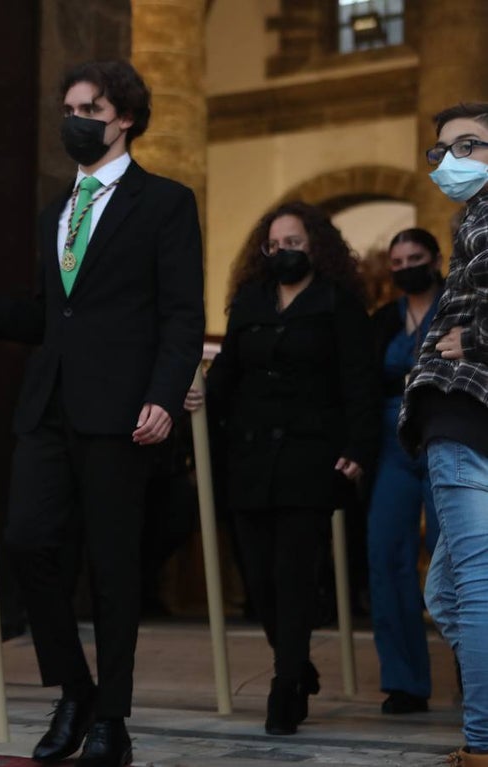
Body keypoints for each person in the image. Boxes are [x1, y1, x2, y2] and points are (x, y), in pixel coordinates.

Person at [0, 60, 204, 766]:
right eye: (68, 105)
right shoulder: (54, 212)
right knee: (27, 541)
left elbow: (182, 314)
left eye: (88, 106)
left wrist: (163, 394)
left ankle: (111, 719)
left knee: (114, 567)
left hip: (124, 411)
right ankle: (75, 686)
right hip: (50, 405)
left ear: (124, 117)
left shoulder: (166, 203)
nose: (75, 117)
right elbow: (54, 315)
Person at [194, 201, 379, 736]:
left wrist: (359, 448)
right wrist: (196, 394)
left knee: (293, 575)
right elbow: (228, 370)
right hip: (249, 459)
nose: (283, 253)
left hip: (309, 458)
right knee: (259, 581)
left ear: (315, 246)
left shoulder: (339, 304)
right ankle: (296, 661)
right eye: (274, 245)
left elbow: (359, 383)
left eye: (293, 243)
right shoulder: (250, 300)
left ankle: (285, 686)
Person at [400, 101, 488, 766]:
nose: (452, 160)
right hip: (458, 414)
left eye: (472, 145)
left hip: (465, 410)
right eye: (443, 150)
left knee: (471, 585)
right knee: (446, 588)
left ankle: (483, 742)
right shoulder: (472, 220)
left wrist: (475, 338)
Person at [368, 227, 444, 716]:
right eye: (396, 262)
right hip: (393, 444)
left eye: (414, 258)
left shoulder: (461, 305)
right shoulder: (381, 320)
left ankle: (472, 673)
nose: (404, 268)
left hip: (446, 438)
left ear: (436, 259)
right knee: (385, 553)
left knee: (454, 557)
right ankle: (405, 681)